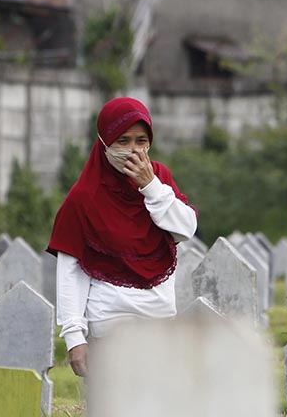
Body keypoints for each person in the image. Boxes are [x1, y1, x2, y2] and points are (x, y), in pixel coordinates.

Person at [46, 97, 198, 378]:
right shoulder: (84, 198)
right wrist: (75, 337)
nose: (133, 150)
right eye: (123, 140)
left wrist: (151, 187)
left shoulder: (159, 178)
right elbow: (71, 271)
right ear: (105, 143)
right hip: (110, 325)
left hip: (160, 320)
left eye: (141, 140)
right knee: (116, 416)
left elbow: (185, 228)